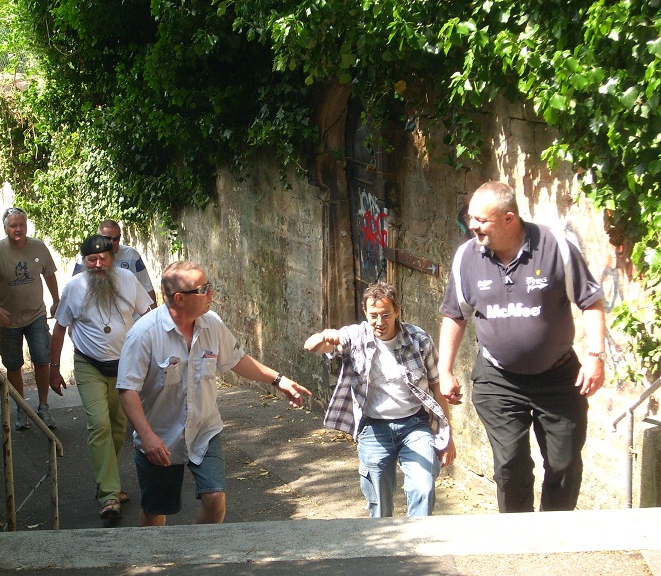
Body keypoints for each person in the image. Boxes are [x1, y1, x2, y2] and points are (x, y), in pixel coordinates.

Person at [438, 180, 606, 513]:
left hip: (558, 377)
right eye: (471, 218)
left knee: (564, 465)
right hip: (498, 379)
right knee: (511, 465)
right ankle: (516, 537)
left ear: (509, 218)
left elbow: (591, 302)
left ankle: (554, 533)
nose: (473, 226)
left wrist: (595, 356)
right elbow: (455, 315)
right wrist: (445, 369)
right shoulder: (467, 257)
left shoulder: (555, 247)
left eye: (481, 220)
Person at [116, 260, 312, 526]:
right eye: (203, 289)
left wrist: (279, 380)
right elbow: (127, 390)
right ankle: (156, 553)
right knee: (155, 511)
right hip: (161, 438)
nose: (211, 293)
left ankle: (202, 549)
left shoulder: (212, 324)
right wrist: (147, 437)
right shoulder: (144, 335)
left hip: (204, 430)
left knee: (215, 497)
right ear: (180, 299)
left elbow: (237, 360)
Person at [304, 283, 455, 517]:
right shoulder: (355, 336)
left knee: (423, 489)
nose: (379, 322)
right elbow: (311, 346)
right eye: (373, 315)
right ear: (365, 313)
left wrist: (447, 437)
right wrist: (325, 335)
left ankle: (418, 538)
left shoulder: (418, 339)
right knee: (380, 505)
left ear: (397, 311)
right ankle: (387, 541)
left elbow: (436, 387)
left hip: (415, 425)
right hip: (374, 428)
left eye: (386, 315)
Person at [49, 235, 152, 520]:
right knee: (99, 424)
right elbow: (59, 328)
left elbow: (148, 315)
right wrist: (54, 369)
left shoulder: (128, 280)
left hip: (124, 366)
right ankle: (109, 495)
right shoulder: (74, 287)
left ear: (111, 258)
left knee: (118, 427)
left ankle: (110, 481)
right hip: (89, 364)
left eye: (103, 258)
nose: (97, 264)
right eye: (91, 260)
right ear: (84, 261)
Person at [0, 207, 60, 431]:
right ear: (5, 228)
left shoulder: (38, 247)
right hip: (8, 320)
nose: (18, 229)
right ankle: (22, 409)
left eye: (22, 225)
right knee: (13, 365)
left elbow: (49, 275)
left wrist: (56, 300)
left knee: (41, 359)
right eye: (13, 226)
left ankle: (43, 407)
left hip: (36, 315)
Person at [72, 219, 157, 308]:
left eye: (115, 238)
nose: (112, 242)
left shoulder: (132, 255)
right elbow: (75, 286)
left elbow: (146, 286)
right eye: (107, 238)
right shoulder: (85, 257)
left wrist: (155, 312)